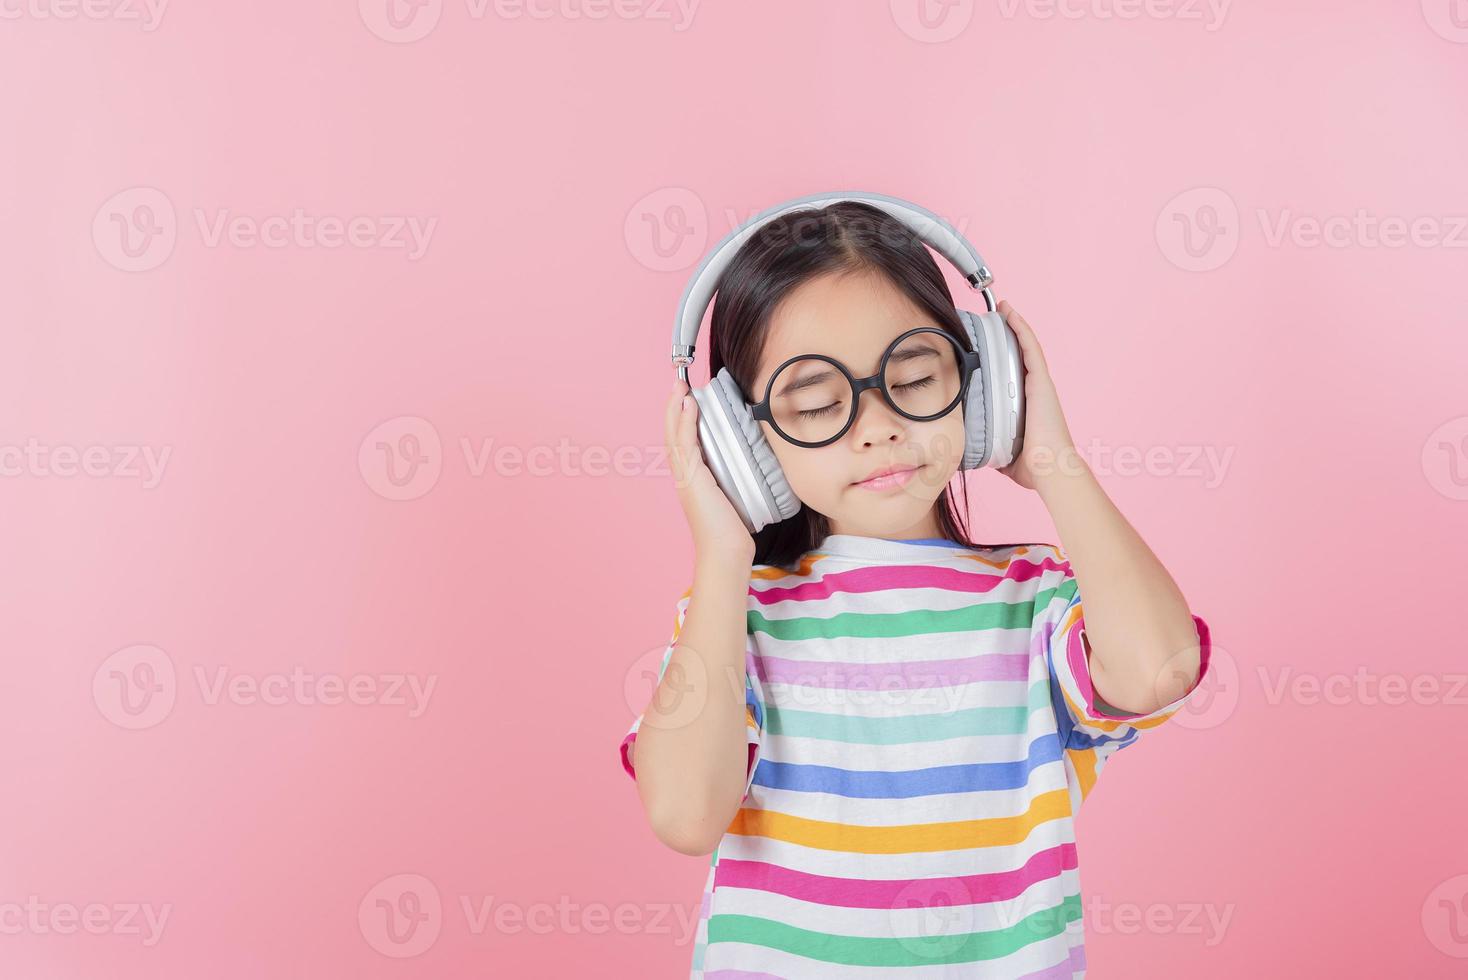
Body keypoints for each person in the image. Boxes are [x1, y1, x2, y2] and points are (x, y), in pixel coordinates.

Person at [618, 200, 1213, 978]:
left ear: (984, 382)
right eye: (819, 403)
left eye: (913, 376)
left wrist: (1056, 462)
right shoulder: (736, 623)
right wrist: (722, 554)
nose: (877, 426)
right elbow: (685, 814)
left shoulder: (1038, 602)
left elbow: (1157, 670)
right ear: (741, 443)